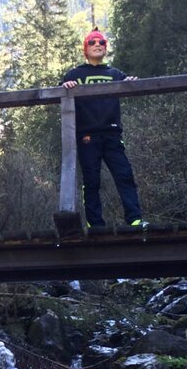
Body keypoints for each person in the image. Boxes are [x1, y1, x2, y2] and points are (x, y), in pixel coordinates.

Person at [61, 28, 145, 228]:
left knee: (124, 175)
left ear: (106, 48)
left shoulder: (115, 74)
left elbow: (128, 83)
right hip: (87, 136)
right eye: (92, 42)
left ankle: (134, 219)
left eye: (101, 42)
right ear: (85, 49)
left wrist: (130, 83)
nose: (97, 44)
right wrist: (66, 85)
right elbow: (61, 90)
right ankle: (95, 224)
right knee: (91, 181)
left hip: (112, 134)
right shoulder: (75, 74)